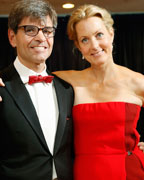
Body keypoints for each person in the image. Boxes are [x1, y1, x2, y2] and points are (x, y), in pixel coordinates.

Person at [52, 4, 144, 180]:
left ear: (111, 34)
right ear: (79, 47)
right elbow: (25, 79)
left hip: (130, 172)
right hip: (85, 172)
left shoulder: (138, 82)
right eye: (85, 40)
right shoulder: (68, 80)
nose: (94, 45)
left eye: (99, 35)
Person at [0, 0, 74, 180]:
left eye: (47, 31)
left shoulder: (67, 89)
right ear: (12, 37)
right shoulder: (1, 85)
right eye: (30, 30)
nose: (41, 38)